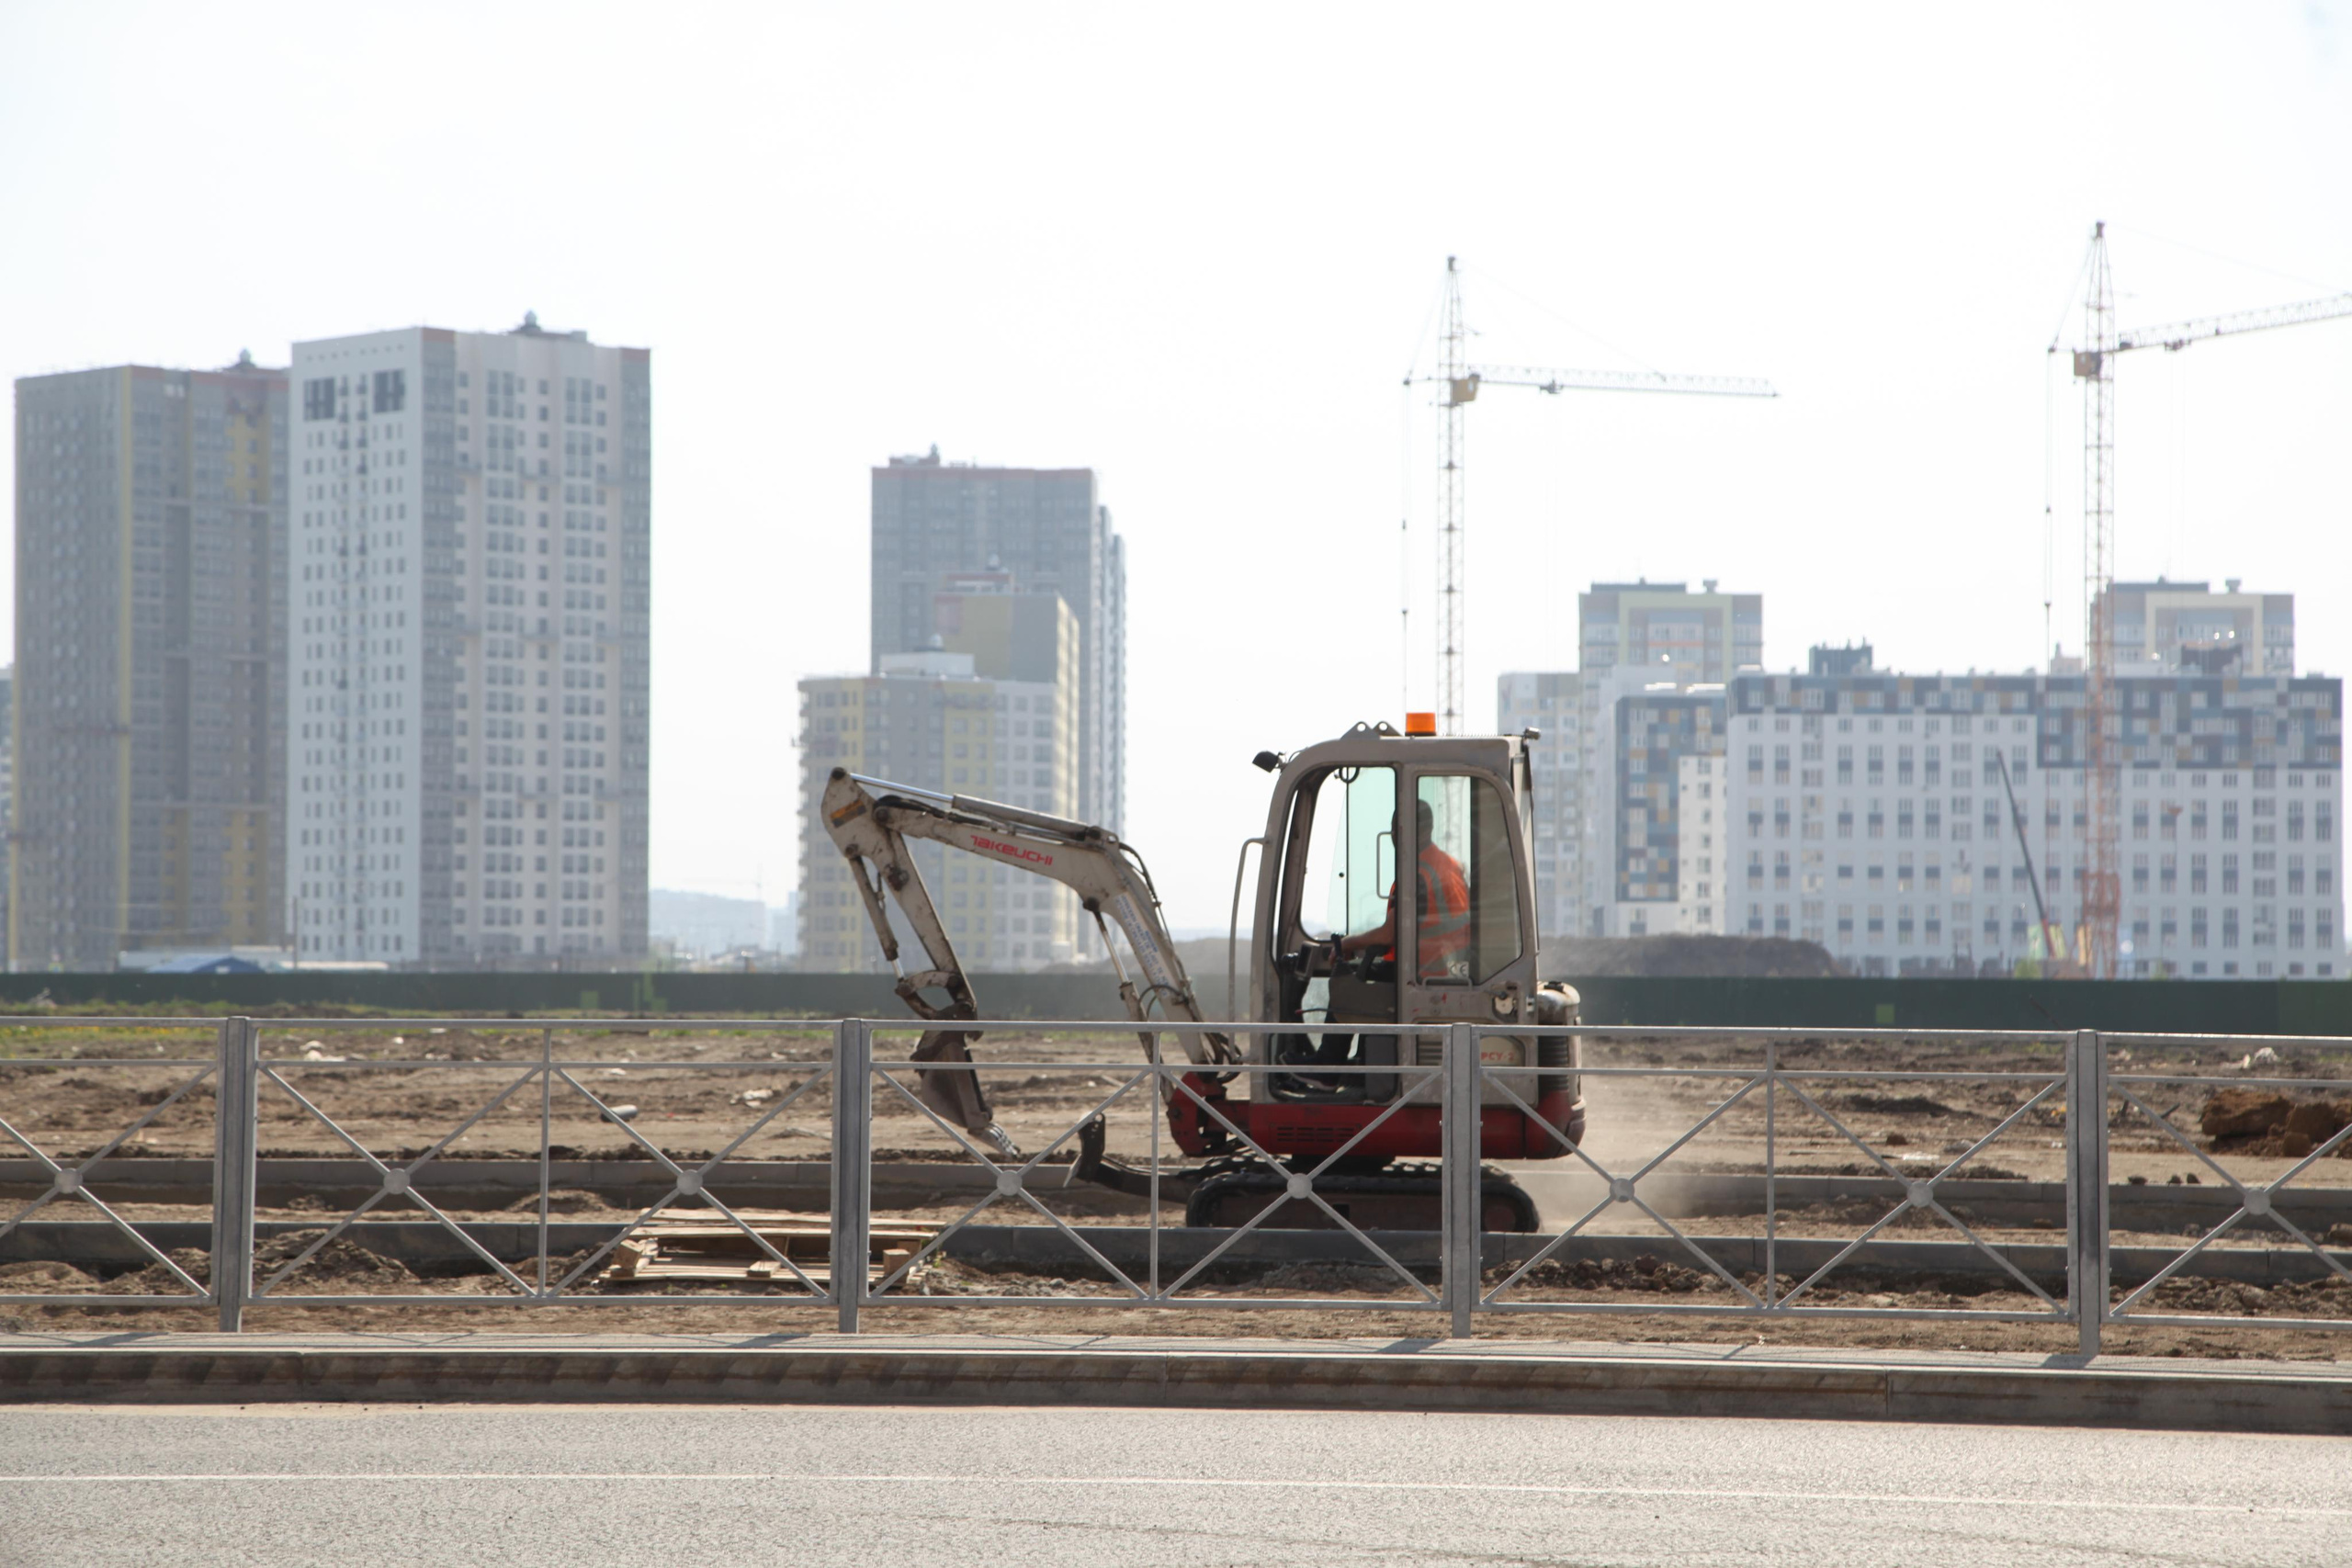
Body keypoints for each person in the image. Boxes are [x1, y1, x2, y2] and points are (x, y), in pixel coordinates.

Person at [1337, 797, 1471, 980]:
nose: (1394, 835)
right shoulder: (1447, 865)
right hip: (1447, 967)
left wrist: (1346, 943)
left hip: (1424, 973)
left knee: (1344, 983)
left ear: (1424, 831)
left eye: (1398, 828)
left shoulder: (1419, 874)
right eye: (1394, 828)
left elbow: (1389, 935)